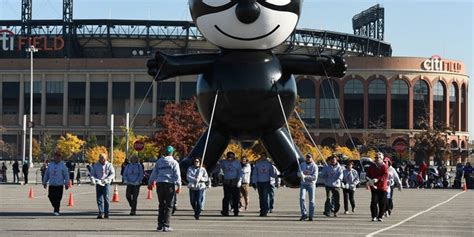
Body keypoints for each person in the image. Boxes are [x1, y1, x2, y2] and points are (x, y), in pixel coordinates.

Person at [148, 145, 181, 232]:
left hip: (160, 183)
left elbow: (154, 173)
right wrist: (179, 186)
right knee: (169, 205)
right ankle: (166, 225)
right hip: (169, 184)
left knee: (161, 204)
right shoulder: (174, 162)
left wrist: (150, 182)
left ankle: (159, 225)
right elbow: (177, 175)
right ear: (172, 153)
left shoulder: (159, 162)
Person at [90, 153, 115, 219]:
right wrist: (93, 179)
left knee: (106, 198)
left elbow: (112, 173)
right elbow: (92, 173)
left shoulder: (109, 165)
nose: (102, 159)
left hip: (106, 183)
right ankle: (100, 212)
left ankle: (106, 213)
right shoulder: (96, 165)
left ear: (106, 158)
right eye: (101, 158)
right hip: (99, 182)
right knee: (99, 198)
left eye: (103, 158)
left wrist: (108, 179)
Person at [366, 152, 389, 222]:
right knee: (374, 202)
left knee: (382, 203)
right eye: (375, 158)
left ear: (381, 159)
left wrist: (377, 179)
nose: (376, 159)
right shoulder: (372, 166)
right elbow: (367, 175)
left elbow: (385, 176)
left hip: (382, 187)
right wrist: (368, 181)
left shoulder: (384, 166)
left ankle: (380, 216)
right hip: (374, 188)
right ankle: (374, 216)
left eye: (378, 158)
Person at [220, 152, 242, 217]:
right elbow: (220, 169)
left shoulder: (237, 163)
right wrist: (221, 175)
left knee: (236, 198)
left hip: (235, 181)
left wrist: (239, 181)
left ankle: (236, 211)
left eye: (231, 157)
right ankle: (225, 211)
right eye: (229, 157)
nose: (230, 158)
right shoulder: (224, 162)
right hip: (227, 181)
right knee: (226, 197)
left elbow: (240, 172)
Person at [298, 153, 318, 221]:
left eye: (309, 157)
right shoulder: (302, 164)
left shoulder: (315, 166)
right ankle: (304, 214)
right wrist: (300, 174)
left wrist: (306, 176)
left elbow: (314, 177)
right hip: (303, 184)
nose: (308, 158)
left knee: (312, 201)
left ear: (312, 158)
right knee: (302, 198)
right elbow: (298, 173)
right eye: (307, 157)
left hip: (311, 185)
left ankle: (311, 216)